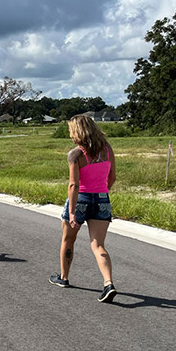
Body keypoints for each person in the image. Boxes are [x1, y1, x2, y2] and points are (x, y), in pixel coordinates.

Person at [49, 114, 117, 303]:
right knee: (98, 245)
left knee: (68, 239)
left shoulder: (76, 154)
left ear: (77, 132)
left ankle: (64, 277)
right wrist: (102, 193)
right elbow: (112, 177)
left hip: (80, 200)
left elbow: (74, 185)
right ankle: (108, 283)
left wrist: (71, 211)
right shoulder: (107, 150)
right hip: (102, 200)